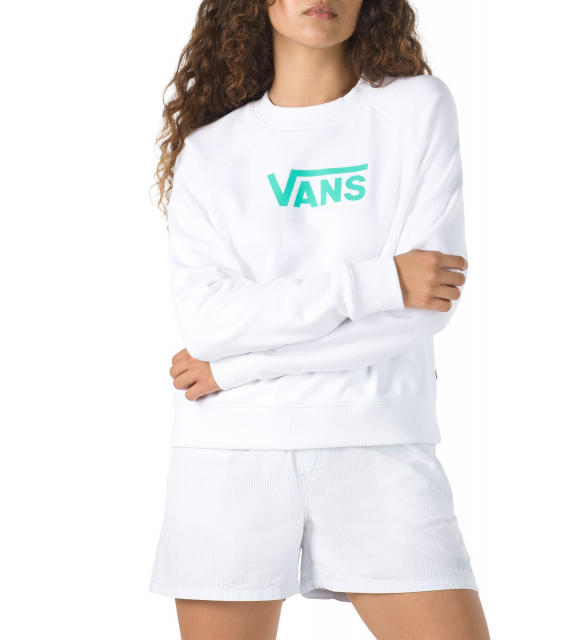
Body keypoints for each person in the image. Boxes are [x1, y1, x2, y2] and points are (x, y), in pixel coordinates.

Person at [149, 1, 490, 638]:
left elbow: (422, 309)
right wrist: (378, 281)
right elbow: (208, 323)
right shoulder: (210, 152)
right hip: (230, 454)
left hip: (377, 442)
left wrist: (235, 368)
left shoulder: (417, 109)